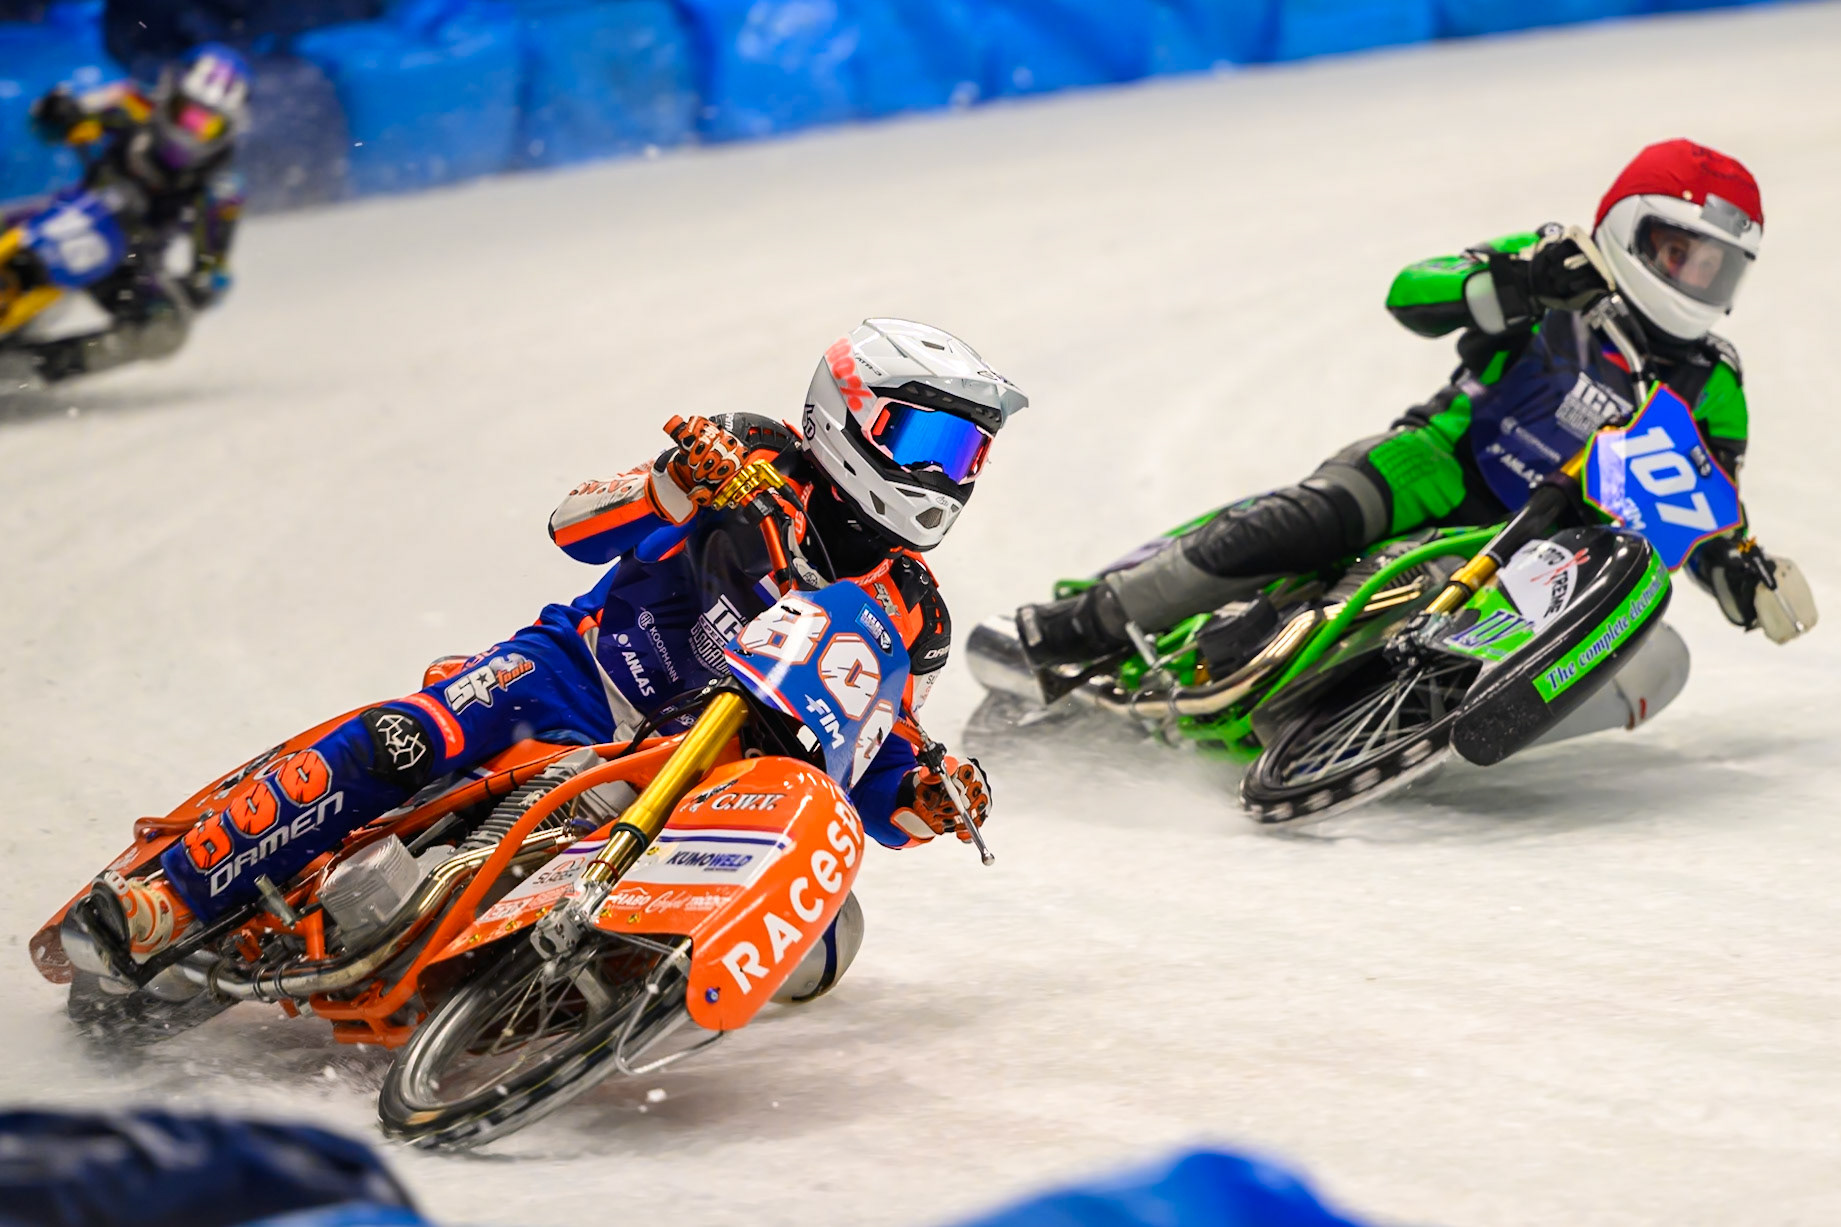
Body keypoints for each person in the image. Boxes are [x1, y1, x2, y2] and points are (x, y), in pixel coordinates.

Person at [77, 318, 1026, 972]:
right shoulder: (752, 452)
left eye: (964, 455)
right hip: (577, 675)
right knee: (403, 739)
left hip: (702, 780)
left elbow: (873, 761)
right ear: (846, 413)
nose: (942, 475)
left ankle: (550, 999)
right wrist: (671, 484)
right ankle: (177, 895)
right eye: (926, 441)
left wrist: (925, 791)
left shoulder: (916, 613)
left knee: (824, 943)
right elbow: (574, 525)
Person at [1017, 139, 1815, 669]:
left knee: (1634, 642)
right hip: (1441, 459)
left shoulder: (1712, 379)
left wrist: (1736, 571)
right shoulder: (1558, 265)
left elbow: (1698, 500)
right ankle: (1090, 620)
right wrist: (1521, 282)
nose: (1695, 279)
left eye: (1715, 268)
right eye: (1679, 253)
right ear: (1629, 230)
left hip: (1548, 548)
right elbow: (1412, 292)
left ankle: (1366, 698)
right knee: (1313, 517)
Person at [9, 43, 248, 384]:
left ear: (229, 129)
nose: (191, 132)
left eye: (208, 126)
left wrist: (199, 288)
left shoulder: (222, 189)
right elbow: (49, 125)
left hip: (128, 262)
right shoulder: (132, 104)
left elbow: (212, 269)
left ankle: (32, 368)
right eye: (186, 114)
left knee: (165, 328)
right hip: (63, 213)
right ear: (168, 95)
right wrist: (58, 112)